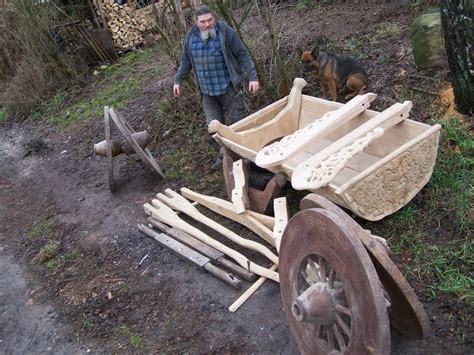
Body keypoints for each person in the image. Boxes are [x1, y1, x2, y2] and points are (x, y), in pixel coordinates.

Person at [173, 5, 259, 169]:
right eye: (203, 21)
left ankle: (247, 159)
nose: (207, 24)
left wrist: (253, 77)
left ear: (214, 18)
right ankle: (224, 157)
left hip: (229, 88)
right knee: (214, 128)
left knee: (237, 125)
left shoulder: (226, 33)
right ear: (196, 22)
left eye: (209, 20)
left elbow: (242, 54)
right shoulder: (191, 37)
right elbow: (186, 61)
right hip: (207, 93)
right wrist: (178, 80)